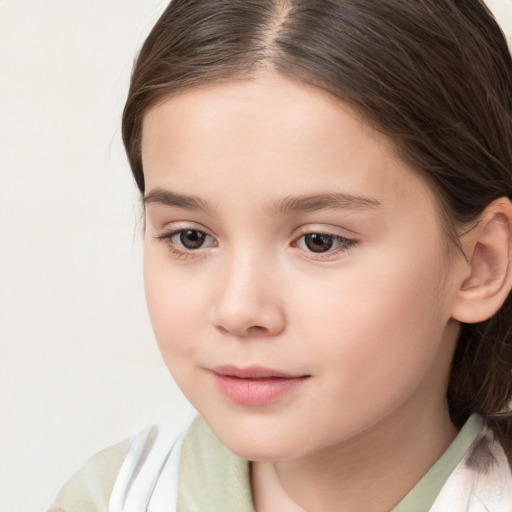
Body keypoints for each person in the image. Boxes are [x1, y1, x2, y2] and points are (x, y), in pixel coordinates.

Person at [49, 1, 512, 510]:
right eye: (190, 237)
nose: (239, 310)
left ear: (480, 264)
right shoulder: (110, 498)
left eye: (319, 241)